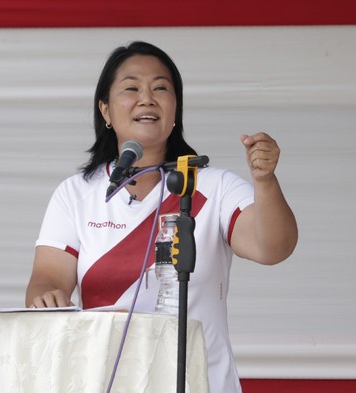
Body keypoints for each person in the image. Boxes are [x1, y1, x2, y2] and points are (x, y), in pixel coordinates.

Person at [25, 41, 298, 392]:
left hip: (200, 383)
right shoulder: (76, 193)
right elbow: (46, 280)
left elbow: (273, 247)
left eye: (160, 88)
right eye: (131, 88)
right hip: (108, 382)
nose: (147, 98)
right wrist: (47, 297)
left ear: (175, 111)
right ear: (105, 110)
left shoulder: (214, 186)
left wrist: (265, 181)